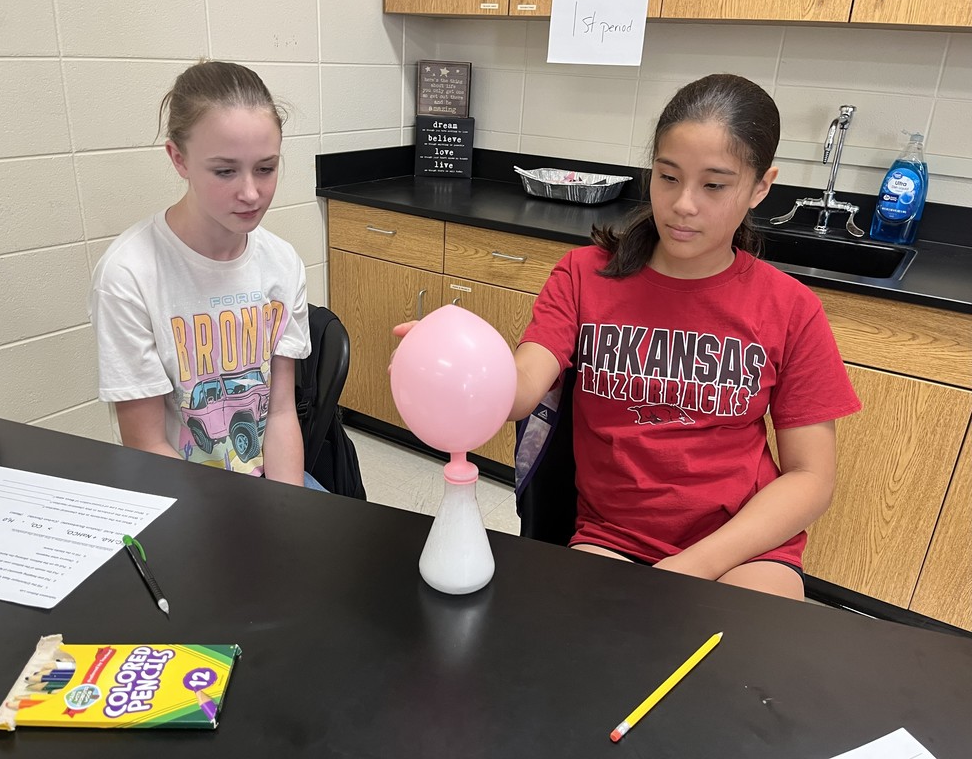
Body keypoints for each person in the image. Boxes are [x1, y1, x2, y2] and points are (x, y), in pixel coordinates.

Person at [397, 73, 860, 600]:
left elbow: (810, 478)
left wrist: (692, 566)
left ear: (760, 186)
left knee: (749, 665)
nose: (684, 204)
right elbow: (522, 385)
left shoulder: (791, 309)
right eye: (668, 177)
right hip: (611, 537)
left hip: (741, 548)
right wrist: (457, 361)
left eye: (714, 184)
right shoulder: (583, 275)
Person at [89, 60, 322, 489]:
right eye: (225, 171)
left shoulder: (282, 263)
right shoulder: (129, 274)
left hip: (265, 480)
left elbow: (281, 412)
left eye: (266, 168)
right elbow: (145, 445)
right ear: (179, 158)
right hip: (175, 490)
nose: (251, 192)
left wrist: (288, 511)